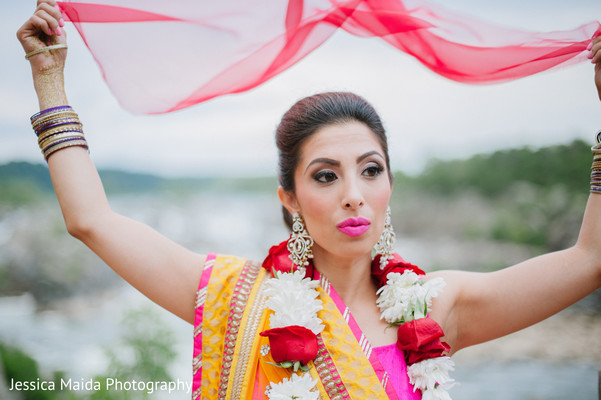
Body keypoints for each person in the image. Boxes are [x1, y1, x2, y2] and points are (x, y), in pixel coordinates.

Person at [16, 1, 601, 399]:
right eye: (325, 177)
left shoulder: (435, 308)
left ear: (390, 184)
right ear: (289, 199)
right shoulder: (238, 298)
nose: (353, 195)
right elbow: (90, 220)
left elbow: (589, 260)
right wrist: (48, 80)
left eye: (371, 170)